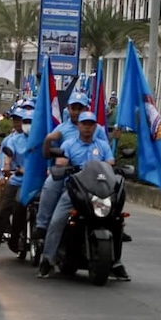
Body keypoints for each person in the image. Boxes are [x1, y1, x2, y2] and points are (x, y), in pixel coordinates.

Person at [38, 111, 129, 280]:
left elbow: (109, 164)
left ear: (95, 126)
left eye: (91, 124)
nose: (87, 127)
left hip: (98, 191)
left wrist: (111, 168)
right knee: (57, 220)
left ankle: (116, 262)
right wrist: (63, 165)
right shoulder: (69, 144)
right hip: (75, 191)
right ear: (78, 126)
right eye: (84, 124)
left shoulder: (102, 145)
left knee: (117, 220)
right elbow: (61, 162)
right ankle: (48, 260)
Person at [34, 92, 108, 243]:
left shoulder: (98, 130)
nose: (76, 112)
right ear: (68, 108)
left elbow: (105, 151)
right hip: (69, 175)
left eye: (80, 108)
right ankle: (42, 226)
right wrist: (48, 140)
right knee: (50, 185)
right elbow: (47, 154)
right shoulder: (62, 129)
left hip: (93, 176)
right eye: (73, 108)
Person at [0, 108, 31, 252]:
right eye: (24, 121)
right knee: (4, 208)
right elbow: (7, 156)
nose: (25, 124)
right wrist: (7, 168)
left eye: (29, 122)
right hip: (17, 179)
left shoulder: (41, 139)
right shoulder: (13, 140)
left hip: (35, 182)